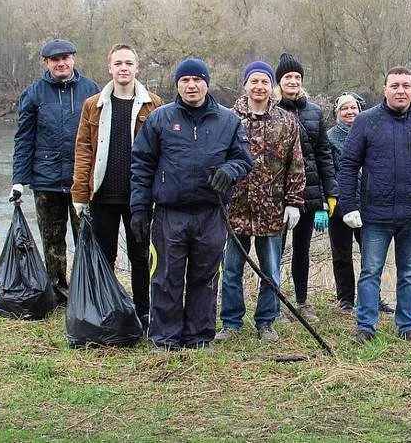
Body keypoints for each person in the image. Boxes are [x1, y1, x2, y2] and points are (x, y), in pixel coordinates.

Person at [130, 58, 252, 350]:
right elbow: (141, 165)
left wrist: (229, 171)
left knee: (205, 276)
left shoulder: (228, 121)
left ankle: (199, 337)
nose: (191, 85)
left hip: (210, 214)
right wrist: (139, 208)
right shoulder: (159, 119)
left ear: (206, 83)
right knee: (165, 277)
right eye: (185, 80)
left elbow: (243, 159)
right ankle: (165, 338)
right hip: (170, 213)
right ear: (178, 85)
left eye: (197, 80)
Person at [338, 66, 411, 345]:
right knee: (370, 272)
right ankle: (366, 327)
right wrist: (348, 205)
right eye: (395, 85)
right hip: (375, 215)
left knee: (409, 273)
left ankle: (407, 326)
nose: (401, 90)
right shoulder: (365, 121)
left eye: (406, 85)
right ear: (385, 89)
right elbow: (348, 165)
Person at [71, 44, 163, 329]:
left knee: (140, 256)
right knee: (105, 256)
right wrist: (79, 194)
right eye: (118, 63)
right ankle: (106, 309)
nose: (124, 68)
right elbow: (84, 150)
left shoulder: (154, 104)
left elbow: (162, 152)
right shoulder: (93, 104)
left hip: (139, 197)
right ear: (109, 68)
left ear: (137, 68)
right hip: (103, 195)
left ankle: (143, 312)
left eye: (129, 63)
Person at [217, 61, 305, 343]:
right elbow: (217, 159)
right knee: (232, 270)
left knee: (271, 271)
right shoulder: (228, 118)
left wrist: (293, 201)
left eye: (264, 82)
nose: (259, 87)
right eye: (254, 81)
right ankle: (231, 322)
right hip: (236, 208)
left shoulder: (286, 120)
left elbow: (296, 164)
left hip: (272, 209)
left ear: (272, 86)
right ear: (245, 85)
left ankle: (266, 321)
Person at [10, 38, 100, 305]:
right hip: (46, 181)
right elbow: (24, 139)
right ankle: (59, 294)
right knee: (52, 242)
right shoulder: (34, 94)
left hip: (81, 181)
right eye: (55, 60)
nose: (61, 63)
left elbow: (101, 137)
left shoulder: (91, 90)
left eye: (65, 58)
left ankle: (88, 293)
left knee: (87, 239)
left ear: (73, 59)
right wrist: (19, 180)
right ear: (46, 63)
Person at [274, 53, 338, 322]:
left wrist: (330, 192)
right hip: (277, 194)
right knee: (274, 251)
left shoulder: (314, 111)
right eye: (288, 77)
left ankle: (302, 301)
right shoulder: (272, 110)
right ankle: (274, 304)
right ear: (279, 81)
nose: (293, 81)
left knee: (302, 249)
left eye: (297, 77)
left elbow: (323, 153)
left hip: (309, 192)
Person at [326, 92, 395, 315]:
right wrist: (328, 200)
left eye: (353, 108)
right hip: (340, 205)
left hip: (370, 204)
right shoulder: (329, 138)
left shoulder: (372, 133)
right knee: (341, 254)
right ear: (337, 113)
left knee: (371, 254)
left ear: (360, 110)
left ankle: (373, 297)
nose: (349, 112)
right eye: (344, 108)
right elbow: (327, 171)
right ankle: (345, 299)